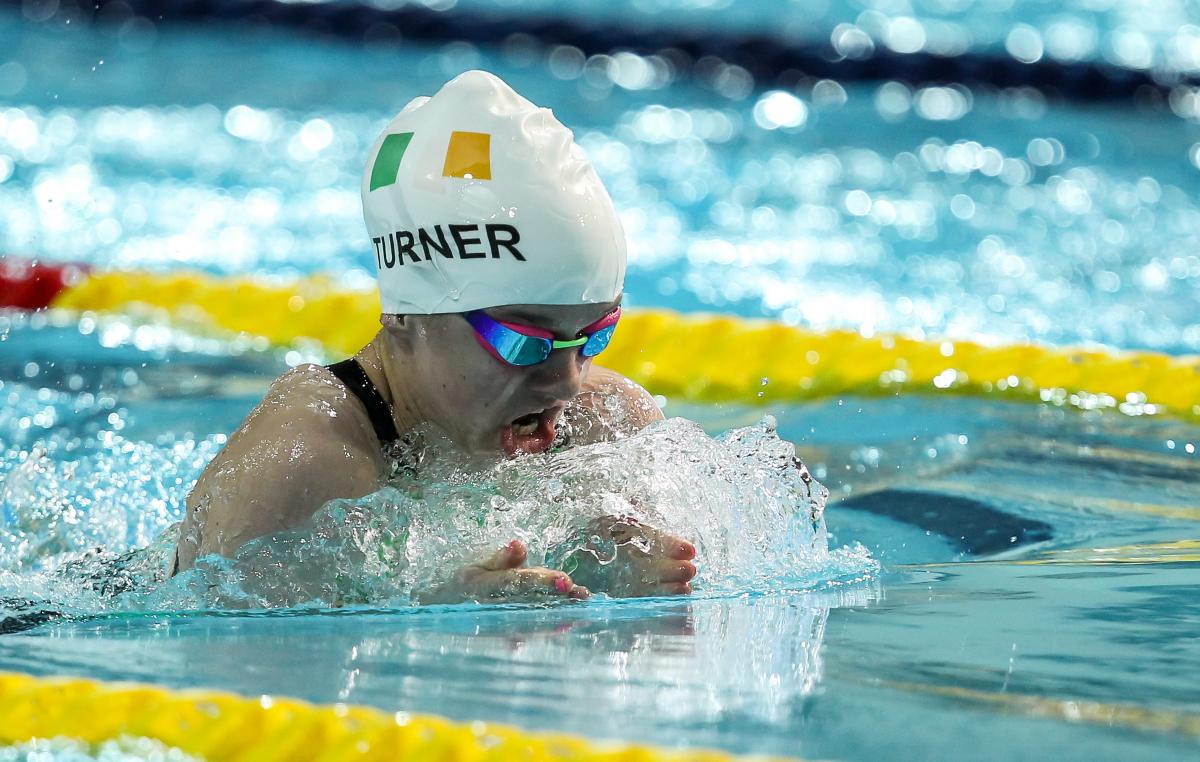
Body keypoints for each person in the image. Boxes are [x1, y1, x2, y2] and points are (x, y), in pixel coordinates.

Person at [172, 71, 698, 603]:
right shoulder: (299, 469)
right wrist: (431, 614)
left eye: (593, 336)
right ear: (407, 318)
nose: (565, 383)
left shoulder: (605, 425)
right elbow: (226, 663)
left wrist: (627, 576)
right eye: (522, 341)